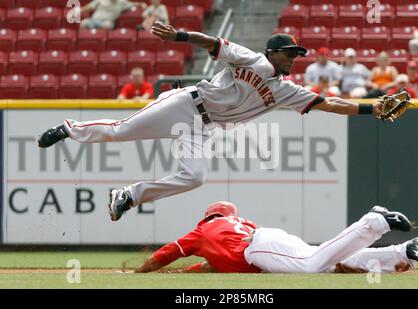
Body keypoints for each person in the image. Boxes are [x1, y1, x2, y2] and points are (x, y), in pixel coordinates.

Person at [38, 22, 386, 222]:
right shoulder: (254, 60)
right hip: (186, 104)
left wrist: (372, 109)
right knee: (122, 131)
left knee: (195, 177)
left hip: (203, 127)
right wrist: (181, 37)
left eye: (297, 55)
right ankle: (68, 129)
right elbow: (215, 43)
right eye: (291, 54)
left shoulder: (286, 91)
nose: (295, 60)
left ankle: (129, 196)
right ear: (273, 52)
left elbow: (330, 103)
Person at [133, 202, 418, 274]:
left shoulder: (201, 232)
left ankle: (374, 221)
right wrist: (188, 273)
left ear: (208, 215)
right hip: (268, 239)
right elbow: (212, 266)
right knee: (327, 261)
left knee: (313, 265)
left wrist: (141, 271)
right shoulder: (236, 222)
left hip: (258, 249)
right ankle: (404, 251)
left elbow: (166, 253)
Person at [80, 0, 147, 30]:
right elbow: (89, 7)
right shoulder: (100, 0)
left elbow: (133, 4)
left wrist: (141, 4)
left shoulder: (122, 2)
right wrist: (79, 10)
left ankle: (101, 42)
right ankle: (83, 41)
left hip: (107, 22)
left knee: (107, 25)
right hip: (94, 20)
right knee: (83, 23)